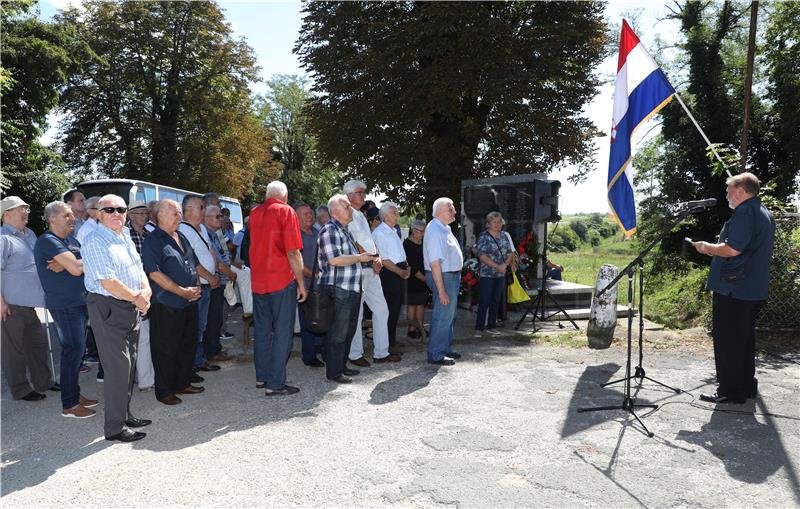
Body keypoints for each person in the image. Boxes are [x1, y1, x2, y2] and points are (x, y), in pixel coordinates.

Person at [693, 172, 775, 404]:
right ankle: (746, 386)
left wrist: (708, 247)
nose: (727, 195)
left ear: (741, 191)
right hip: (751, 289)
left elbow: (732, 250)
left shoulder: (745, 212)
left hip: (734, 289)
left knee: (728, 340)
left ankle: (730, 391)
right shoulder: (763, 212)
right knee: (744, 340)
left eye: (729, 190)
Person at [81, 194, 152, 442]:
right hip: (108, 306)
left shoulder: (124, 237)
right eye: (109, 209)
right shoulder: (95, 241)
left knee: (130, 365)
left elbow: (139, 268)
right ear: (98, 214)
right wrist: (138, 297)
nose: (116, 214)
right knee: (118, 368)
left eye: (121, 209)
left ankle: (124, 414)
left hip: (130, 305)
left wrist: (146, 292)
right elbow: (108, 282)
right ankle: (114, 427)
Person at [34, 201, 98, 418]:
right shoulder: (48, 241)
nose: (73, 218)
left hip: (79, 302)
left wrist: (72, 262)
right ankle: (69, 405)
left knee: (77, 352)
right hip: (65, 305)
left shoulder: (70, 239)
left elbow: (85, 263)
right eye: (67, 215)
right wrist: (72, 263)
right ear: (52, 218)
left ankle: (74, 394)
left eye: (72, 215)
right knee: (73, 351)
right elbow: (76, 269)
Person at [142, 199, 204, 406]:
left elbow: (192, 264)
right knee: (165, 348)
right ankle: (164, 390)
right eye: (175, 213)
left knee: (187, 344)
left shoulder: (182, 237)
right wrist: (181, 292)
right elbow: (154, 273)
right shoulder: (153, 240)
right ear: (159, 215)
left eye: (180, 213)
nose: (180, 217)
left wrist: (196, 287)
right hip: (167, 304)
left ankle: (182, 382)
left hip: (189, 302)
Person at [249, 181, 307, 396]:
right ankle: (275, 383)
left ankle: (262, 377)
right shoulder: (285, 211)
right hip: (281, 279)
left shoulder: (254, 213)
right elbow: (293, 252)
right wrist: (301, 283)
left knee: (263, 331)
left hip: (259, 280)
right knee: (283, 332)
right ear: (285, 196)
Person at [1, 196, 55, 402]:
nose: (26, 212)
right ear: (6, 214)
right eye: (21, 209)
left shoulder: (29, 234)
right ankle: (21, 389)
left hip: (30, 305)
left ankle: (44, 382)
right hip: (11, 305)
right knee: (13, 351)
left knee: (38, 345)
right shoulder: (3, 238)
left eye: (27, 208)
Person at [317, 194, 376, 383]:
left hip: (350, 288)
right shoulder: (329, 230)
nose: (351, 210)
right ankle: (334, 372)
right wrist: (360, 258)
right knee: (338, 332)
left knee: (349, 330)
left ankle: (341, 366)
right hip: (338, 288)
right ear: (335, 211)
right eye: (347, 206)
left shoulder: (344, 230)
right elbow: (334, 259)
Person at [342, 179, 394, 366]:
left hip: (371, 269)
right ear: (349, 195)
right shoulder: (347, 214)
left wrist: (377, 257)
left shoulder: (360, 215)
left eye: (364, 192)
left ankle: (381, 352)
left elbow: (369, 240)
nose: (364, 195)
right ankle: (355, 354)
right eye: (360, 192)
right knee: (357, 313)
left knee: (381, 310)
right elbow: (354, 241)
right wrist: (373, 258)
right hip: (359, 269)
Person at [179, 196, 220, 374]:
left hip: (207, 284)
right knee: (193, 328)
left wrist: (215, 273)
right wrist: (210, 277)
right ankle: (191, 364)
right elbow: (191, 261)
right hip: (197, 285)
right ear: (188, 209)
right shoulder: (182, 230)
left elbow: (210, 249)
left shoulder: (202, 227)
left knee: (201, 326)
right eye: (201, 207)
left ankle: (199, 359)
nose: (204, 210)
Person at [423, 197, 464, 365]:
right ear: (440, 211)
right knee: (442, 315)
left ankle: (445, 348)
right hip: (444, 277)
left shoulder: (444, 228)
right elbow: (434, 263)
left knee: (449, 315)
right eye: (451, 208)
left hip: (450, 276)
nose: (454, 211)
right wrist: (441, 291)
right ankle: (436, 353)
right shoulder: (435, 231)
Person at [371, 202, 408, 361]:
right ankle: (386, 346)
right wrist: (400, 271)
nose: (397, 215)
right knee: (389, 310)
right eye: (394, 213)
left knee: (395, 309)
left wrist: (406, 267)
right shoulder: (379, 233)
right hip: (389, 273)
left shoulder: (392, 231)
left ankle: (390, 342)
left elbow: (398, 252)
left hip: (398, 272)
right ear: (385, 216)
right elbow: (384, 259)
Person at [127, 200, 155, 392]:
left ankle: (145, 379)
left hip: (148, 289)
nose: (144, 216)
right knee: (137, 337)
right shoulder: (123, 235)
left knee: (145, 336)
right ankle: (141, 378)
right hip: (130, 291)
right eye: (140, 213)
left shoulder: (149, 235)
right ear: (130, 215)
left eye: (146, 213)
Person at [202, 204, 235, 362]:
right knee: (213, 319)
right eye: (217, 216)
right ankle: (212, 352)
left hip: (219, 281)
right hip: (214, 282)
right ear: (206, 218)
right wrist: (231, 274)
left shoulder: (215, 234)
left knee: (217, 318)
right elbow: (218, 264)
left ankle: (215, 348)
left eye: (221, 216)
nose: (220, 219)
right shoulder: (206, 235)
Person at [295, 202, 325, 368]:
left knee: (321, 316)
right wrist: (314, 275)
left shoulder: (317, 231)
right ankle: (309, 355)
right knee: (307, 320)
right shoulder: (295, 235)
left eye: (311, 213)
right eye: (305, 214)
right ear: (296, 217)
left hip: (320, 283)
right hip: (303, 284)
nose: (310, 216)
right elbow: (296, 264)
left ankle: (320, 348)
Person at [475, 211, 513, 335]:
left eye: (499, 221)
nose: (497, 224)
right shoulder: (484, 237)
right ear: (488, 224)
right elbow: (482, 256)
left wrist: (505, 265)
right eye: (494, 222)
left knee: (496, 300)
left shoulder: (504, 236)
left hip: (500, 274)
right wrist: (497, 266)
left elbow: (509, 253)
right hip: (487, 274)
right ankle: (479, 328)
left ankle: (491, 326)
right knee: (485, 300)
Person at [403, 219, 428, 339]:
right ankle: (411, 329)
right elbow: (412, 265)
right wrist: (424, 279)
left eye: (424, 232)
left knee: (421, 304)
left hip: (423, 278)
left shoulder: (423, 244)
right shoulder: (407, 244)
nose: (423, 234)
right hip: (413, 278)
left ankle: (420, 328)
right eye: (421, 232)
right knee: (412, 304)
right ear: (413, 231)